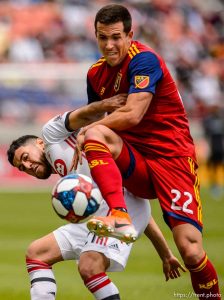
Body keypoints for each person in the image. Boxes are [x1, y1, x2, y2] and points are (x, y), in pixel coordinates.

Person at [70, 4, 221, 299]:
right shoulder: (95, 74)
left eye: (116, 37)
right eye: (103, 38)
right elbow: (95, 120)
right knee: (97, 133)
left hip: (172, 159)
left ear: (130, 35)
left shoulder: (145, 61)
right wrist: (70, 129)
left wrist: (88, 130)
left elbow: (132, 115)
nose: (109, 45)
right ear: (96, 36)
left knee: (190, 251)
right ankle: (119, 214)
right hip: (135, 160)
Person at [7, 99, 185, 300]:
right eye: (22, 168)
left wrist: (105, 105)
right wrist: (166, 253)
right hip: (106, 217)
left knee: (89, 265)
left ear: (39, 143)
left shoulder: (50, 134)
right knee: (37, 253)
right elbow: (142, 217)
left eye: (25, 157)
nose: (28, 166)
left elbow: (83, 115)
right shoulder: (66, 173)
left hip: (120, 210)